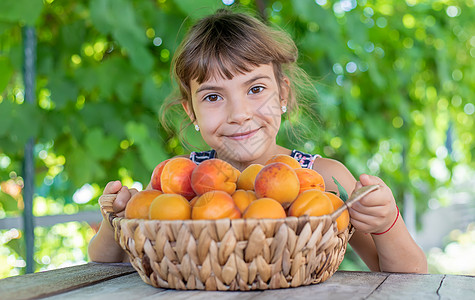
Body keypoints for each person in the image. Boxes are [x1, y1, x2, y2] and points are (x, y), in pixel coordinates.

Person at [88, 8, 427, 273]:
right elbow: (105, 265)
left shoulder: (323, 178)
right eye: (212, 97)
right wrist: (115, 219)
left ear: (283, 93)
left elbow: (409, 274)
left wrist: (386, 223)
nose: (239, 114)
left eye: (255, 89)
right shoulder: (181, 179)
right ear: (190, 111)